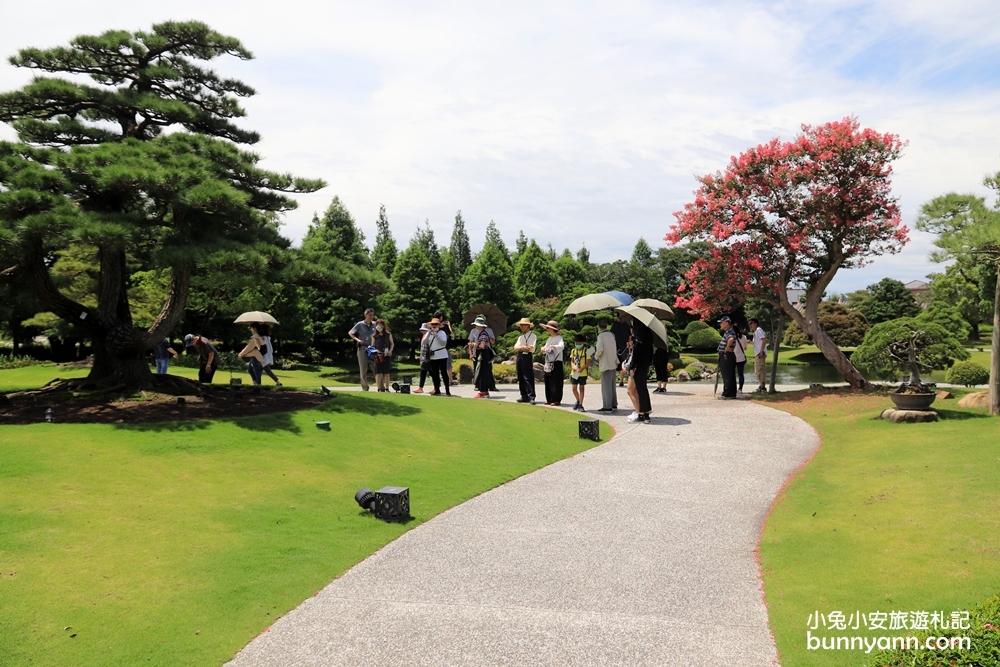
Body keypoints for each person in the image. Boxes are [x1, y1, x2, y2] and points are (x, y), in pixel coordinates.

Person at [626, 320, 654, 423]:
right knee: (642, 389)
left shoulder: (639, 341)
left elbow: (635, 357)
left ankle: (642, 413)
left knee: (637, 390)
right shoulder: (649, 341)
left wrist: (632, 367)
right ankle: (645, 412)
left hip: (637, 367)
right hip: (644, 366)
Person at [348, 308, 377, 391]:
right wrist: (358, 340)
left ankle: (380, 386)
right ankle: (365, 387)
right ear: (365, 315)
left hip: (372, 348)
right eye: (370, 315)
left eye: (372, 315)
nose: (371, 317)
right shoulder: (360, 324)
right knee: (363, 368)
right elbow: (350, 332)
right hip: (363, 348)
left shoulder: (375, 324)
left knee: (375, 367)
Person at [468, 315, 496, 398]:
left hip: (483, 353)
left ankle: (483, 391)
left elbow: (482, 345)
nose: (476, 326)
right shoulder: (480, 332)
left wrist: (475, 344)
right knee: (481, 371)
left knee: (482, 372)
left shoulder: (483, 333)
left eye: (477, 324)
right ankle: (484, 390)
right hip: (481, 353)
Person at [594, 318, 619, 412]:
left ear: (599, 326)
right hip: (613, 361)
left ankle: (607, 405)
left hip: (606, 362)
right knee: (612, 384)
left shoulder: (601, 336)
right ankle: (613, 403)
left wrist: (596, 356)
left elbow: (600, 349)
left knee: (606, 385)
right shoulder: (611, 335)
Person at [423, 318, 450, 395]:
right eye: (432, 324)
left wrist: (436, 335)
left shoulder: (442, 333)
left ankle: (447, 389)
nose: (434, 326)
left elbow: (443, 343)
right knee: (435, 374)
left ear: (439, 325)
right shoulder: (429, 333)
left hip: (442, 356)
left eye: (436, 324)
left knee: (444, 373)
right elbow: (424, 342)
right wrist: (428, 334)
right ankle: (437, 389)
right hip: (433, 356)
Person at [540, 320, 565, 406]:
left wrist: (554, 346)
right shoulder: (549, 339)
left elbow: (561, 346)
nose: (547, 329)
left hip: (556, 361)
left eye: (548, 328)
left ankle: (556, 399)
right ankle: (549, 398)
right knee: (548, 380)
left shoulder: (559, 338)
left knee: (556, 381)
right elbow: (545, 348)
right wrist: (543, 349)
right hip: (548, 361)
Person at [512, 317, 536, 404]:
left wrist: (521, 348)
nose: (522, 327)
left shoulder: (533, 336)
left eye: (523, 325)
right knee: (521, 376)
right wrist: (522, 347)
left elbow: (530, 348)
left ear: (528, 326)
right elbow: (515, 348)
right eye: (521, 325)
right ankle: (524, 395)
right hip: (520, 356)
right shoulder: (520, 337)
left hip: (527, 356)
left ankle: (531, 396)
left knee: (528, 376)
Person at [568, 333, 591, 412]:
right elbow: (571, 361)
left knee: (581, 388)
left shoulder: (587, 351)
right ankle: (578, 400)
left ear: (583, 343)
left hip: (582, 372)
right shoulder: (573, 350)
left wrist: (582, 368)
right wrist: (573, 367)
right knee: (574, 388)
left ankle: (581, 404)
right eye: (576, 343)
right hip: (575, 372)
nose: (578, 345)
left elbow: (589, 362)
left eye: (579, 343)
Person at [717, 316, 738, 399]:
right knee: (730, 375)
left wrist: (727, 347)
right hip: (727, 356)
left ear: (726, 323)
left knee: (727, 375)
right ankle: (731, 393)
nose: (720, 324)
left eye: (721, 323)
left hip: (727, 356)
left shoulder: (730, 331)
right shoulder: (727, 331)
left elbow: (731, 338)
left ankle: (727, 393)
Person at [371, 318, 394, 392]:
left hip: (386, 355)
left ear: (384, 325)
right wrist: (376, 351)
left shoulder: (388, 334)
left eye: (381, 325)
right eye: (378, 325)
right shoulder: (375, 336)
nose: (379, 326)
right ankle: (378, 388)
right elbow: (372, 346)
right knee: (378, 373)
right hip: (378, 356)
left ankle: (387, 388)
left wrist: (390, 351)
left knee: (387, 373)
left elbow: (392, 343)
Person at [434, 310, 455, 387]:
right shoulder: (443, 325)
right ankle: (450, 380)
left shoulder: (433, 326)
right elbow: (450, 332)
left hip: (436, 348)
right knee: (448, 364)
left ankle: (439, 381)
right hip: (445, 348)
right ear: (441, 317)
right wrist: (449, 325)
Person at [611, 311, 632, 387]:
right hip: (620, 347)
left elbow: (612, 336)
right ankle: (621, 380)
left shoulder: (616, 325)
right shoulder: (626, 325)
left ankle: (621, 380)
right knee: (621, 364)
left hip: (620, 347)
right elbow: (629, 336)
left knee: (621, 364)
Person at [749, 318, 768, 392]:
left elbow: (764, 340)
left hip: (760, 353)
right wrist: (749, 342)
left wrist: (761, 351)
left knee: (760, 369)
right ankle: (761, 385)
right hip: (757, 353)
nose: (750, 325)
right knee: (758, 370)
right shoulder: (755, 332)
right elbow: (755, 342)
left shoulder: (759, 330)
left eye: (751, 323)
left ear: (755, 323)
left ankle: (763, 387)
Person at [733, 324, 750, 393]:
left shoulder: (732, 337)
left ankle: (733, 387)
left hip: (733, 357)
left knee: (732, 374)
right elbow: (745, 348)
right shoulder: (744, 337)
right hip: (741, 358)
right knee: (740, 374)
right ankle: (740, 388)